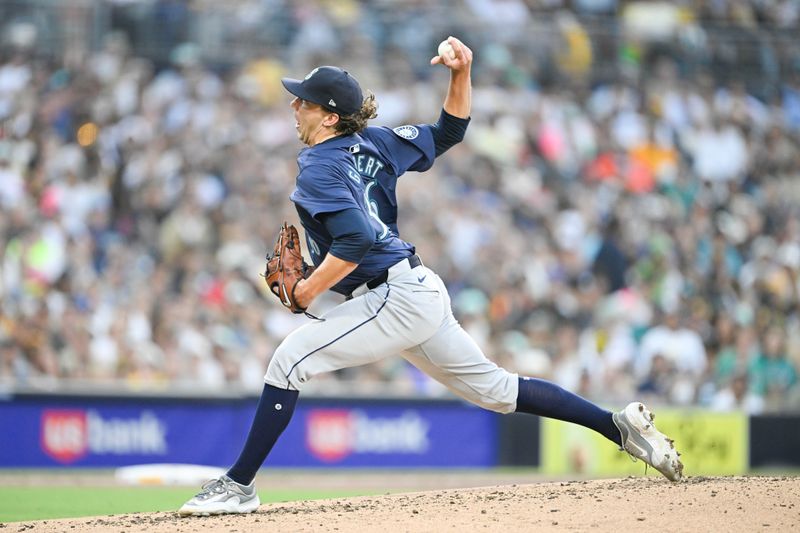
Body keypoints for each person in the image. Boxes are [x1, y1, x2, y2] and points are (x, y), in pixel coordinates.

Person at [178, 37, 683, 517]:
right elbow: (449, 131)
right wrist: (462, 74)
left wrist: (307, 289)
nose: (294, 107)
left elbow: (356, 241)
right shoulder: (374, 143)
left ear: (329, 116)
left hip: (394, 298)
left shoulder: (317, 166)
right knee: (498, 390)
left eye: (304, 102)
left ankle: (238, 485)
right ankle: (617, 426)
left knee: (289, 361)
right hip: (416, 290)